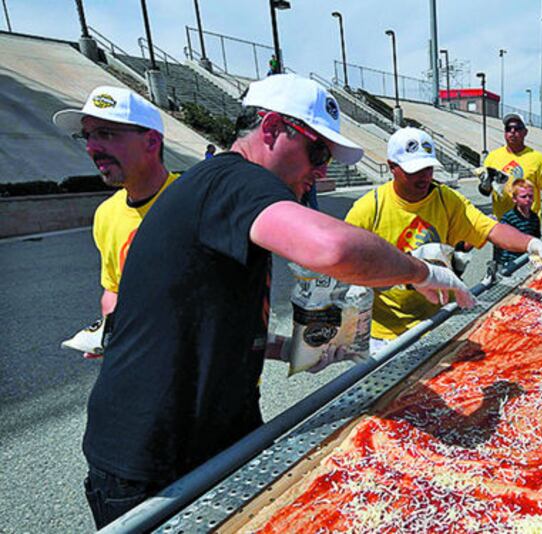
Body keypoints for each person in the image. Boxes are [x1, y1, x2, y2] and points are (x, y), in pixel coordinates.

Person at [80, 75, 475, 528]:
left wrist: (285, 346)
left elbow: (199, 314)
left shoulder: (220, 186)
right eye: (318, 152)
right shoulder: (234, 178)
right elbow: (335, 251)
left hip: (208, 435)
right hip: (153, 458)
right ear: (269, 129)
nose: (322, 170)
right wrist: (421, 271)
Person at [346, 127, 542, 352]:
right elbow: (344, 267)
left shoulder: (446, 199)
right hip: (385, 333)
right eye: (414, 170)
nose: (424, 176)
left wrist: (531, 243)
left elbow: (490, 229)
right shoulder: (369, 209)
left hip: (435, 319)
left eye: (428, 168)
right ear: (392, 167)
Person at [53, 86, 178, 357]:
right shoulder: (106, 214)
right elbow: (114, 291)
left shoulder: (199, 199)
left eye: (106, 134)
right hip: (148, 366)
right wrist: (111, 334)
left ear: (152, 142)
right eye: (86, 136)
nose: (91, 147)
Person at [481, 113, 542, 221]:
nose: (512, 132)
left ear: (525, 132)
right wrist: (485, 186)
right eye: (508, 128)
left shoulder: (537, 158)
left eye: (517, 128)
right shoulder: (492, 157)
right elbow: (486, 191)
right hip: (502, 225)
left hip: (528, 225)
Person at [494, 179, 541, 267]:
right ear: (514, 199)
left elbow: (536, 238)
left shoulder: (534, 218)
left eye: (530, 196)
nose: (528, 199)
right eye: (523, 197)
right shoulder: (508, 219)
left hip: (527, 258)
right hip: (510, 261)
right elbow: (501, 245)